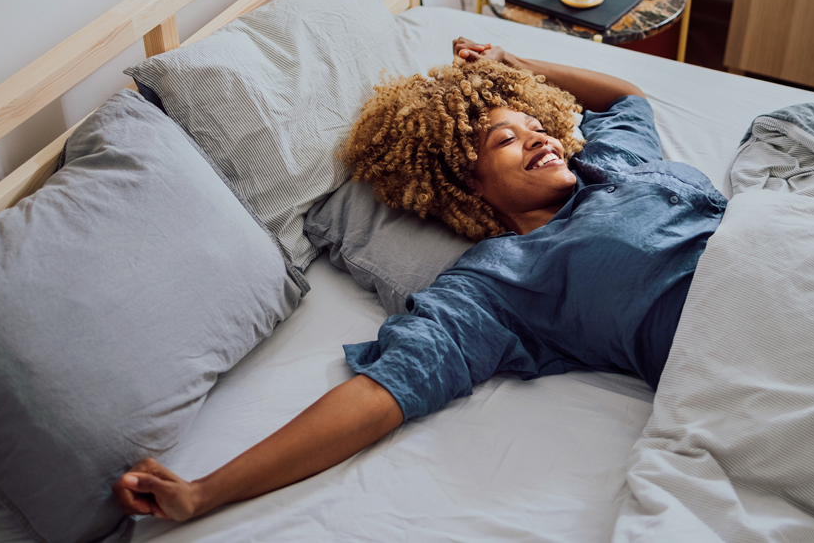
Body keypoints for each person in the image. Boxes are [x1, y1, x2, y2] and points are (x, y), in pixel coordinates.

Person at [112, 37, 727, 521]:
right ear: (469, 186)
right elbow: (383, 393)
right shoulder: (501, 285)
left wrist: (516, 62)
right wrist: (205, 491)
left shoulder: (608, 159)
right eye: (504, 140)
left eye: (536, 125)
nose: (538, 136)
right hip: (734, 337)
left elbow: (626, 101)